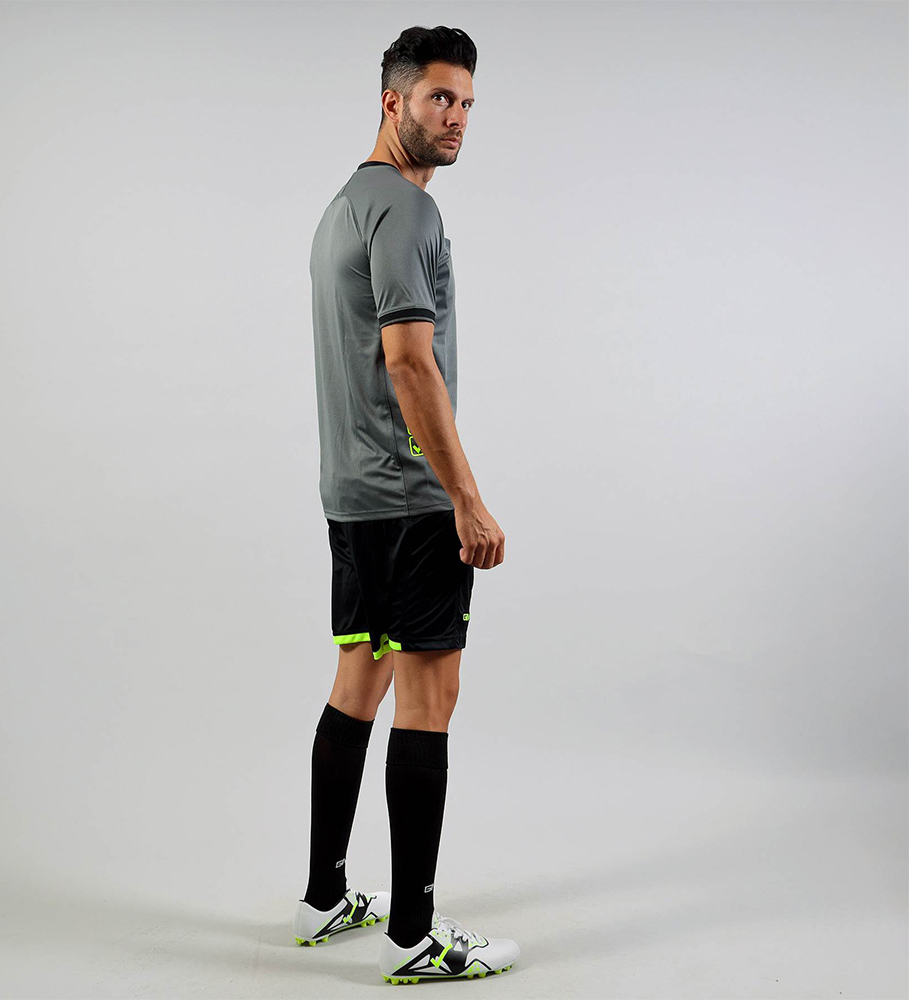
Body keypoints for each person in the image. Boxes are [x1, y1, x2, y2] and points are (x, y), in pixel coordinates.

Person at [293, 25, 520, 984]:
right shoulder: (407, 211)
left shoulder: (345, 206)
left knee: (360, 679)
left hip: (352, 496)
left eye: (466, 102)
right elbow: (407, 360)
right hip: (411, 500)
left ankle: (323, 896)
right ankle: (417, 937)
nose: (456, 118)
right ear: (394, 101)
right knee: (432, 695)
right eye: (439, 98)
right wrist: (466, 499)